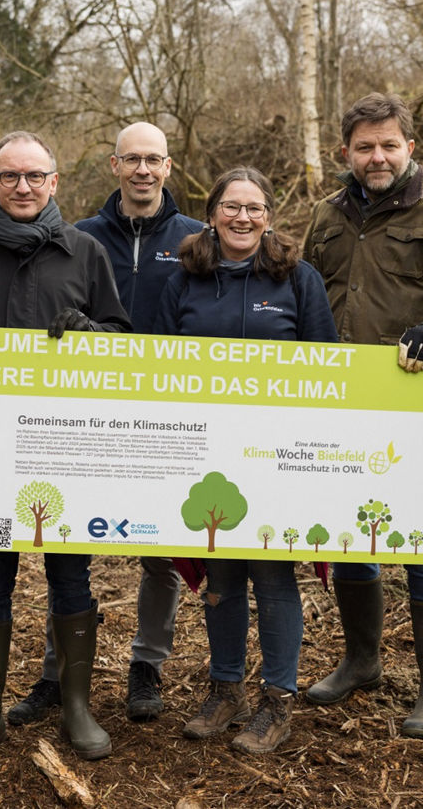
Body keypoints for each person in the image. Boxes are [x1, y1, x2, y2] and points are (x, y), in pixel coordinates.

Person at [0, 130, 132, 764]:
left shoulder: (85, 252)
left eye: (34, 176)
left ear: (53, 183)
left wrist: (92, 331)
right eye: (10, 177)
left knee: (72, 578)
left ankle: (75, 708)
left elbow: (124, 342)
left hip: (65, 450)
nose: (22, 186)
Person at [302, 92, 423, 739]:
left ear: (411, 145)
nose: (376, 157)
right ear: (345, 152)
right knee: (353, 535)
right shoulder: (325, 217)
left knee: (422, 538)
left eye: (388, 144)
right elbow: (305, 296)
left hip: (409, 409)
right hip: (334, 408)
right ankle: (362, 661)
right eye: (364, 147)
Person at [6, 122, 203, 726]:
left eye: (154, 160)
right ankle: (56, 670)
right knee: (67, 544)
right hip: (85, 411)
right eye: (131, 160)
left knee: (161, 550)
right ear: (114, 166)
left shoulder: (199, 238)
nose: (143, 171)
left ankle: (147, 664)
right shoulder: (75, 236)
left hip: (170, 411)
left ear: (168, 167)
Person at [155, 167, 337, 755]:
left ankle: (278, 701)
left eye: (254, 208)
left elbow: (325, 366)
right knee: (223, 575)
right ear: (211, 215)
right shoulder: (183, 280)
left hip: (277, 455)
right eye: (231, 207)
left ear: (269, 216)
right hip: (203, 452)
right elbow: (155, 365)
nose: (242, 218)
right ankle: (225, 688)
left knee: (273, 575)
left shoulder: (298, 278)